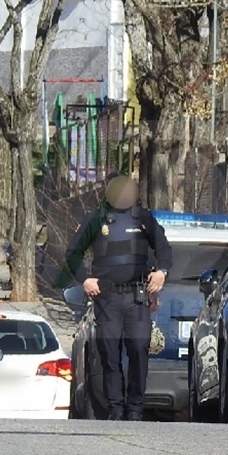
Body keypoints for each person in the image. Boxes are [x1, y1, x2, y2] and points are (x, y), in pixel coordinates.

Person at [65, 173, 173, 421]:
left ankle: (135, 407)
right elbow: (73, 253)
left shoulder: (143, 218)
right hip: (107, 298)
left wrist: (162, 273)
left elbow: (164, 249)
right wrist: (85, 279)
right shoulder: (95, 219)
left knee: (138, 349)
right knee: (109, 353)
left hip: (137, 297)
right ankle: (115, 407)